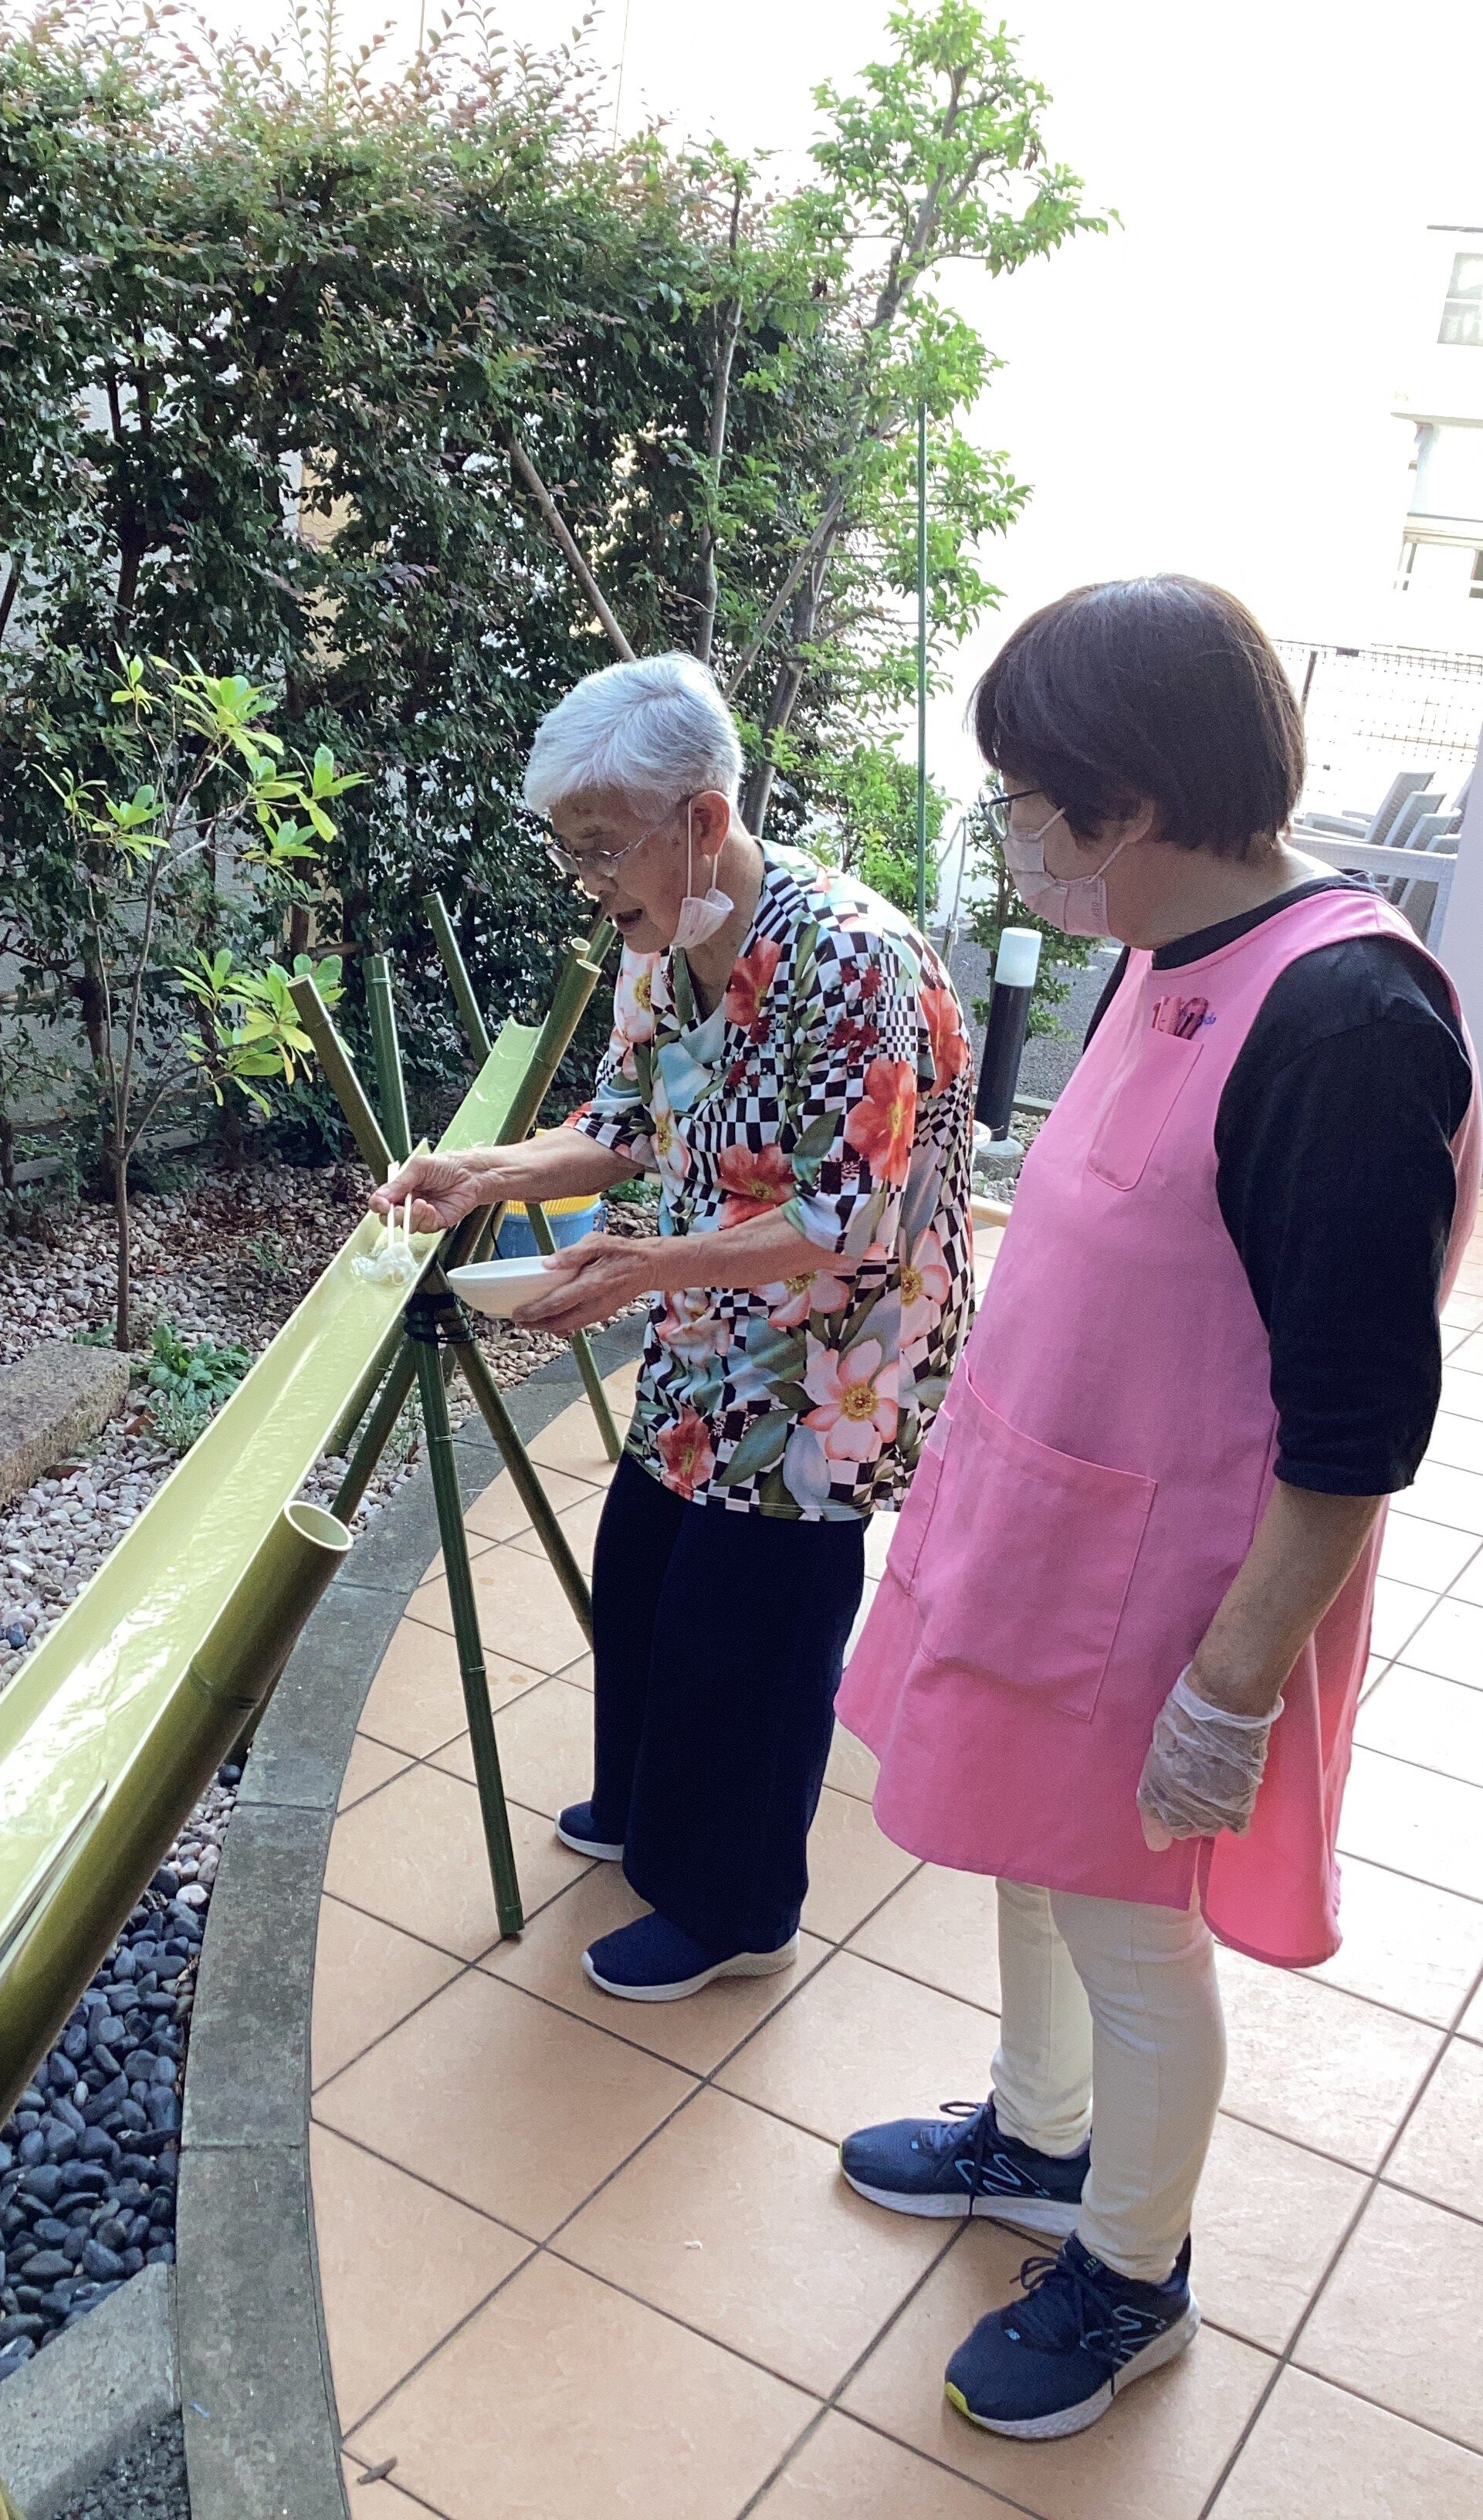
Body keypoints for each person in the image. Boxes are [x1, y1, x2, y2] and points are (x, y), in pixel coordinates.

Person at [836, 576, 1483, 2441]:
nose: (1015, 825)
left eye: (1033, 790)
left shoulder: (1348, 1020)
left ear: (1128, 801)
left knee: (1132, 1930)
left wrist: (1235, 1683)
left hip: (1173, 1594)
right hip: (1052, 1534)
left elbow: (1358, 1422)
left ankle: (1135, 2265)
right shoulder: (1164, 944)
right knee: (1023, 1857)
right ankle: (1035, 2141)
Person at [376, 652, 974, 2000]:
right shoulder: (667, 949)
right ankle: (652, 1813)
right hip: (705, 1324)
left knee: (750, 1628)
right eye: (572, 851)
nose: (587, 881)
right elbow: (623, 1125)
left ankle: (738, 1908)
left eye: (603, 849)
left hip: (837, 1357)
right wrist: (486, 1172)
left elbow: (848, 1223)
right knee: (645, 1569)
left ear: (702, 822)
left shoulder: (853, 960)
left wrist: (646, 1264)